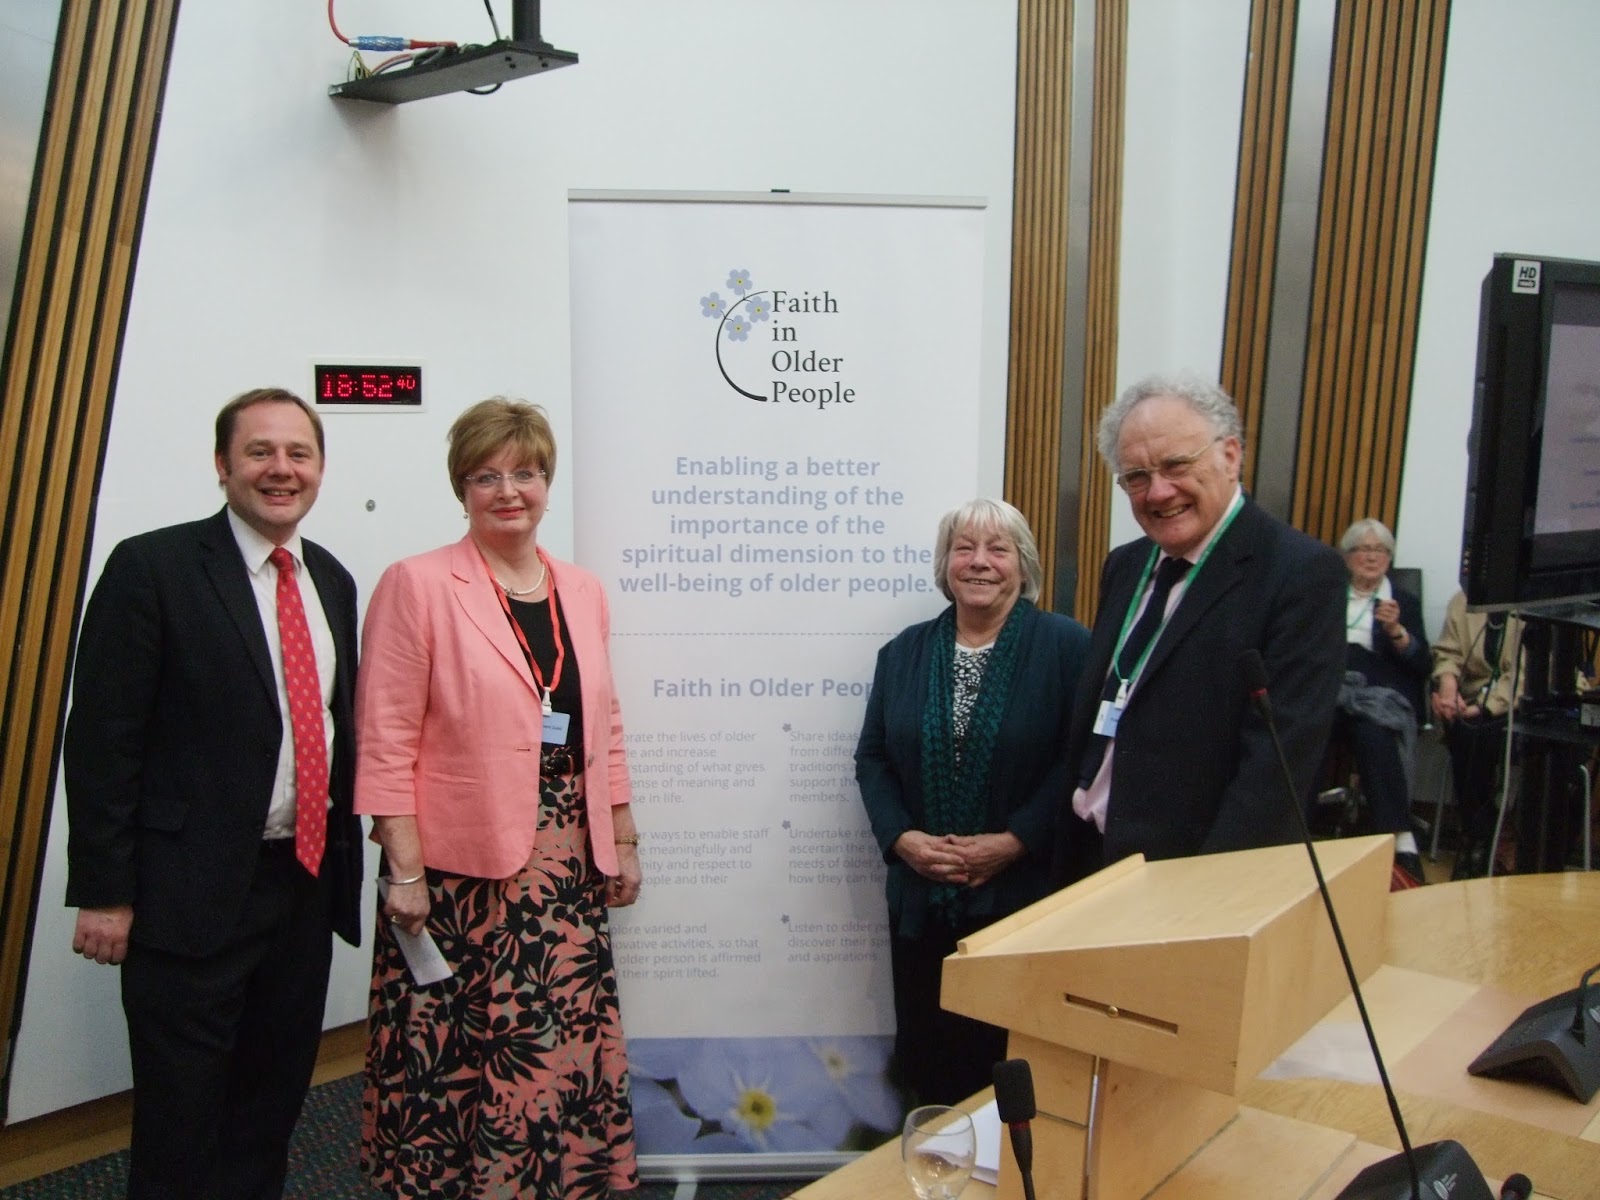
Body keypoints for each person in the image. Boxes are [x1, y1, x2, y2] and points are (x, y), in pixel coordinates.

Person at [63, 387, 363, 1199]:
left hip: (299, 887)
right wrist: (104, 893)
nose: (281, 469)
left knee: (271, 1106)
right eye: (260, 451)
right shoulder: (151, 567)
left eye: (299, 453)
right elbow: (101, 744)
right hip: (186, 899)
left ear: (321, 468)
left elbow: (336, 727)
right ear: (223, 464)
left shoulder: (330, 579)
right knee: (181, 1118)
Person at [355, 397, 641, 1198]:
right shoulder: (417, 585)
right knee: (466, 1051)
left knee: (559, 1044)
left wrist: (622, 836)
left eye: (525, 472)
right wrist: (403, 873)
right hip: (460, 871)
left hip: (565, 867)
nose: (508, 489)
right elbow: (384, 740)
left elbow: (602, 726)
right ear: (462, 487)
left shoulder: (581, 590)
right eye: (487, 475)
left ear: (548, 482)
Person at [1051, 373, 1347, 889]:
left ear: (1230, 456)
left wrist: (1208, 894)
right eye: (1136, 477)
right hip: (1089, 856)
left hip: (1187, 876)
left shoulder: (1299, 574)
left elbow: (1275, 772)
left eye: (1176, 466)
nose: (1158, 492)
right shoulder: (1126, 565)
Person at [855, 498, 1090, 1105]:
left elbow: (1082, 759)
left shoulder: (1068, 648)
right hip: (919, 902)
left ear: (1022, 564)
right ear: (945, 563)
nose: (979, 562)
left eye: (998, 549)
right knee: (929, 1061)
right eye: (965, 547)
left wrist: (1016, 840)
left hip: (1023, 899)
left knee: (1011, 1063)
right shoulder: (903, 652)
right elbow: (873, 757)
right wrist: (903, 838)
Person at [1334, 518, 1432, 886]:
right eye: (1363, 549)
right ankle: (1288, 834)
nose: (1372, 557)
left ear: (1389, 559)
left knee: (1375, 734)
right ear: (1347, 557)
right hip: (1333, 691)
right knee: (1302, 726)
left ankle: (1399, 840)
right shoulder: (1329, 593)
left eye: (1380, 551)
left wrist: (1397, 632)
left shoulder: (1403, 601)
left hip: (1379, 697)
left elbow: (1423, 665)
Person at [1431, 590, 1522, 878]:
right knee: (1463, 730)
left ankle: (1483, 836)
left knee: (1481, 734)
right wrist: (1448, 688)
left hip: (1521, 699)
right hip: (1471, 698)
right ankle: (1480, 834)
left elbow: (1525, 672)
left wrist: (1485, 706)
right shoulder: (1463, 600)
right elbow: (1449, 652)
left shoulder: (1532, 605)